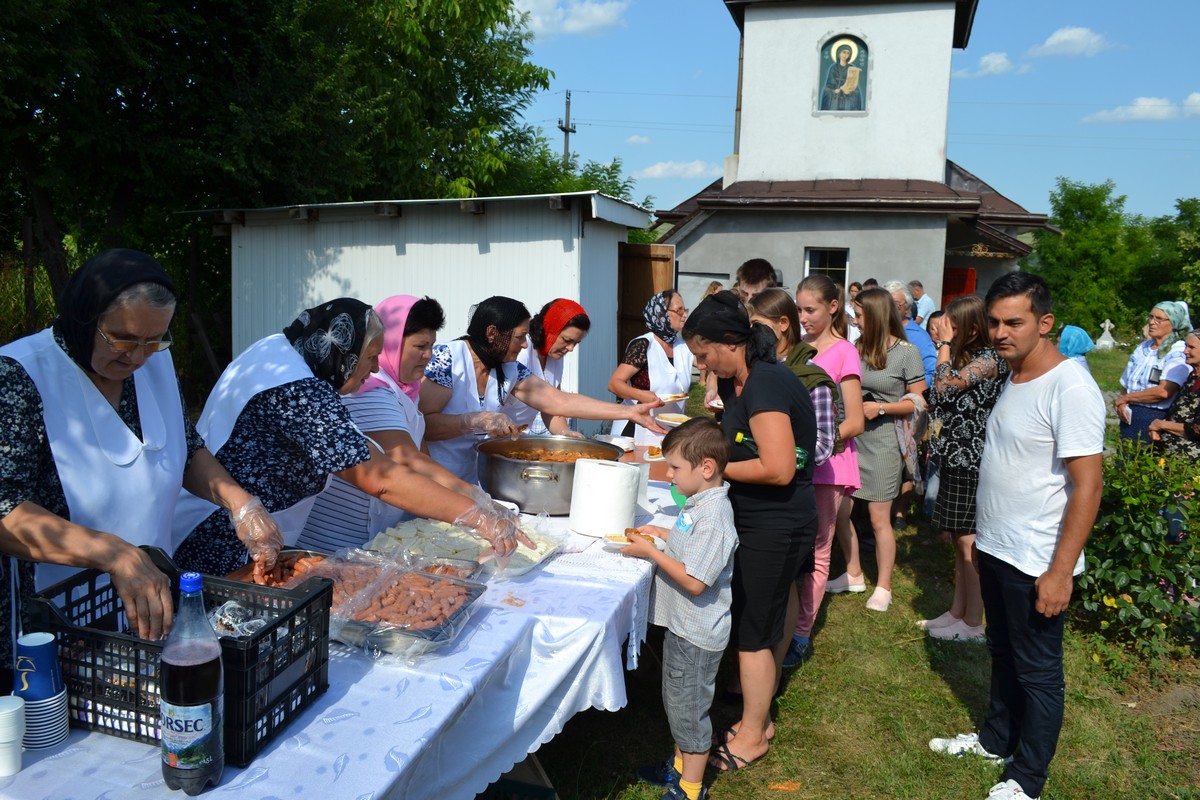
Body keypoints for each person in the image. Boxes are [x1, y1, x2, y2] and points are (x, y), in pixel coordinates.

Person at [0, 249, 281, 663]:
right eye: (122, 339)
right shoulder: (20, 375)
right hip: (54, 617)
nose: (136, 357)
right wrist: (113, 552)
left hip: (145, 601)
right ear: (84, 319)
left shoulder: (153, 362)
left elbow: (184, 451)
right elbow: (5, 511)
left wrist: (241, 504)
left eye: (153, 340)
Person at [173, 298, 528, 575]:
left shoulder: (283, 349)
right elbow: (381, 478)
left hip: (244, 525)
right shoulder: (300, 390)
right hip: (222, 535)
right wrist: (479, 516)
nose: (375, 368)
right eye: (371, 357)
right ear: (340, 352)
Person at [929, 272, 1104, 800]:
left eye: (1014, 322)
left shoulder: (1070, 386)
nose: (1000, 333)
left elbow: (1088, 484)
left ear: (1045, 323)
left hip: (1037, 561)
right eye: (995, 322)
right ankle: (995, 740)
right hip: (998, 547)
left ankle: (1027, 778)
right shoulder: (1013, 374)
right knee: (1003, 654)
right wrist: (984, 542)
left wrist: (1058, 572)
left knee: (1038, 673)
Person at [681, 290, 817, 773]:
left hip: (776, 525)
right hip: (774, 522)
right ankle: (757, 718)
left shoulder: (764, 384)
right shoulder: (748, 381)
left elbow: (779, 468)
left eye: (702, 353)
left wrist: (716, 471)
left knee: (754, 634)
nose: (701, 364)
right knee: (766, 620)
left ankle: (753, 735)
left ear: (727, 342)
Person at [298, 295, 484, 553]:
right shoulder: (370, 390)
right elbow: (406, 460)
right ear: (392, 344)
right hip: (340, 540)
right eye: (420, 346)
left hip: (375, 534)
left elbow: (420, 453)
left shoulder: (405, 389)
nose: (428, 356)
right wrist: (475, 505)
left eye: (432, 345)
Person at [424, 296, 661, 483]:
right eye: (520, 337)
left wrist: (628, 412)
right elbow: (424, 425)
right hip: (435, 477)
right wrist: (473, 419)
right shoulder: (447, 359)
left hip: (476, 478)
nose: (525, 344)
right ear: (492, 333)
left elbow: (559, 402)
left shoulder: (508, 369)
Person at [623, 418, 737, 800]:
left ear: (706, 468)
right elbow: (691, 545)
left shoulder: (716, 516)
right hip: (683, 627)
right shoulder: (698, 503)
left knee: (689, 713)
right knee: (677, 704)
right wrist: (665, 535)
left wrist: (653, 554)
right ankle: (677, 768)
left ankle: (689, 789)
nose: (668, 474)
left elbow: (695, 581)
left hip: (697, 634)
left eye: (674, 467)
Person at [782, 275, 865, 666]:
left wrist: (815, 444)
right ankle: (783, 622)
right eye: (798, 309)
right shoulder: (797, 349)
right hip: (793, 461)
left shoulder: (845, 351)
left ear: (833, 308)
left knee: (817, 551)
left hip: (827, 466)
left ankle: (800, 634)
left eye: (810, 310)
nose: (803, 317)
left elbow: (855, 420)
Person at [828, 288, 926, 612]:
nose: (855, 322)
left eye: (859, 316)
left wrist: (880, 409)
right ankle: (854, 572)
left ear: (876, 316)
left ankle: (884, 586)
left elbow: (919, 403)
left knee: (879, 519)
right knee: (842, 512)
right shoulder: (856, 348)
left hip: (885, 443)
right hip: (854, 442)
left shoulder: (906, 353)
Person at [920, 296, 1008, 642]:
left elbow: (942, 388)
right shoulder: (970, 358)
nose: (946, 329)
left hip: (971, 460)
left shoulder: (989, 359)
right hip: (956, 456)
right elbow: (936, 396)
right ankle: (958, 611)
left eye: (953, 324)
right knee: (959, 538)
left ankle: (973, 623)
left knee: (969, 540)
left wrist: (942, 345)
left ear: (972, 328)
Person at [608, 291, 693, 445]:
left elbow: (708, 363)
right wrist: (641, 395)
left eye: (685, 310)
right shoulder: (643, 345)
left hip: (671, 432)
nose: (685, 315)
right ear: (661, 313)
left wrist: (713, 388)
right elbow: (614, 383)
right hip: (637, 430)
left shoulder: (683, 346)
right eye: (679, 310)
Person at [1114, 301, 1191, 442]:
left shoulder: (1178, 351)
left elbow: (1164, 391)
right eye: (1150, 317)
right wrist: (1123, 403)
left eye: (1159, 319)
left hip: (1154, 417)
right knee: (1125, 459)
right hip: (1130, 413)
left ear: (1173, 323)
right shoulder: (1143, 348)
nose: (1152, 322)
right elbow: (1126, 382)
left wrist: (1126, 398)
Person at [512, 298, 591, 436]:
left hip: (522, 438)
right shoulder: (522, 352)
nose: (571, 348)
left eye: (576, 343)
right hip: (501, 437)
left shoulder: (555, 357)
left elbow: (552, 407)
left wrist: (565, 433)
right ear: (549, 331)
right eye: (567, 340)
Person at [1148, 328, 1200, 461]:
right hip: (1170, 457)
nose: (1185, 351)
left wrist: (1161, 425)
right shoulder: (1193, 377)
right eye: (1185, 346)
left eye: (1191, 347)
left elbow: (1197, 429)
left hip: (1190, 464)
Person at [887, 280, 937, 386]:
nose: (888, 308)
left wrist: (907, 388)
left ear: (907, 308)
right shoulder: (878, 331)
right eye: (885, 303)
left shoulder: (919, 337)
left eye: (895, 304)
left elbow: (931, 374)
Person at [820, 44, 863, 111]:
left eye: (848, 53)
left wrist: (850, 92)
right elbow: (827, 87)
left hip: (847, 99)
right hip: (835, 99)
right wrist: (834, 91)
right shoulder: (833, 68)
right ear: (839, 53)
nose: (845, 55)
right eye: (843, 52)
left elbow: (855, 89)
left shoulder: (851, 68)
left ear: (849, 56)